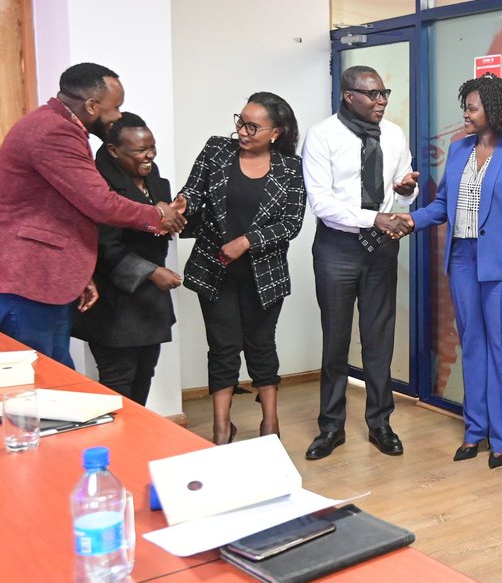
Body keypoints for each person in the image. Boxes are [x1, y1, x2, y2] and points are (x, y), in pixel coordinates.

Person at [0, 63, 184, 364]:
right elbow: (99, 202)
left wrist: (79, 269)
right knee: (34, 387)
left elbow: (67, 208)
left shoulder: (55, 125)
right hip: (26, 279)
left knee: (54, 381)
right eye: (115, 107)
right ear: (91, 105)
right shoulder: (55, 131)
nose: (118, 116)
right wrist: (158, 215)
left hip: (43, 277)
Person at [396, 75, 502, 468]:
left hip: (501, 265)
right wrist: (409, 221)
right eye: (466, 106)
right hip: (462, 258)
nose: (466, 113)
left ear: (494, 111)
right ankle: (474, 430)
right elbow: (442, 205)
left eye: (472, 107)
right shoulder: (459, 150)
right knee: (472, 346)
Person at [301, 66, 419, 461]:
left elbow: (403, 193)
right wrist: (375, 218)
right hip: (338, 247)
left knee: (379, 338)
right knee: (336, 339)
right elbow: (322, 202)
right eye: (372, 94)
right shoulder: (322, 136)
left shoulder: (395, 134)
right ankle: (331, 427)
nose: (381, 100)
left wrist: (406, 192)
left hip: (382, 247)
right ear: (348, 95)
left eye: (384, 92)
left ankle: (380, 423)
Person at [177, 92, 306, 445]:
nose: (242, 131)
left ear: (276, 132)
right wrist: (179, 205)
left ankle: (270, 425)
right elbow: (193, 192)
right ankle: (221, 429)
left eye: (253, 126)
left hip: (263, 276)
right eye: (240, 122)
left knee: (262, 346)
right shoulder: (217, 150)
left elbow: (290, 223)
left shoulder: (290, 169)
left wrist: (246, 241)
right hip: (213, 269)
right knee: (222, 347)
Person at [73, 113, 181, 405]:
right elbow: (105, 246)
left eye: (152, 147)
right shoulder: (98, 187)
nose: (149, 155)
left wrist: (174, 219)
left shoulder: (157, 180)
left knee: (145, 374)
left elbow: (159, 228)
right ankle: (118, 449)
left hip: (151, 303)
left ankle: (140, 445)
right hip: (113, 303)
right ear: (113, 150)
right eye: (139, 151)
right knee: (117, 381)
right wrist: (152, 272)